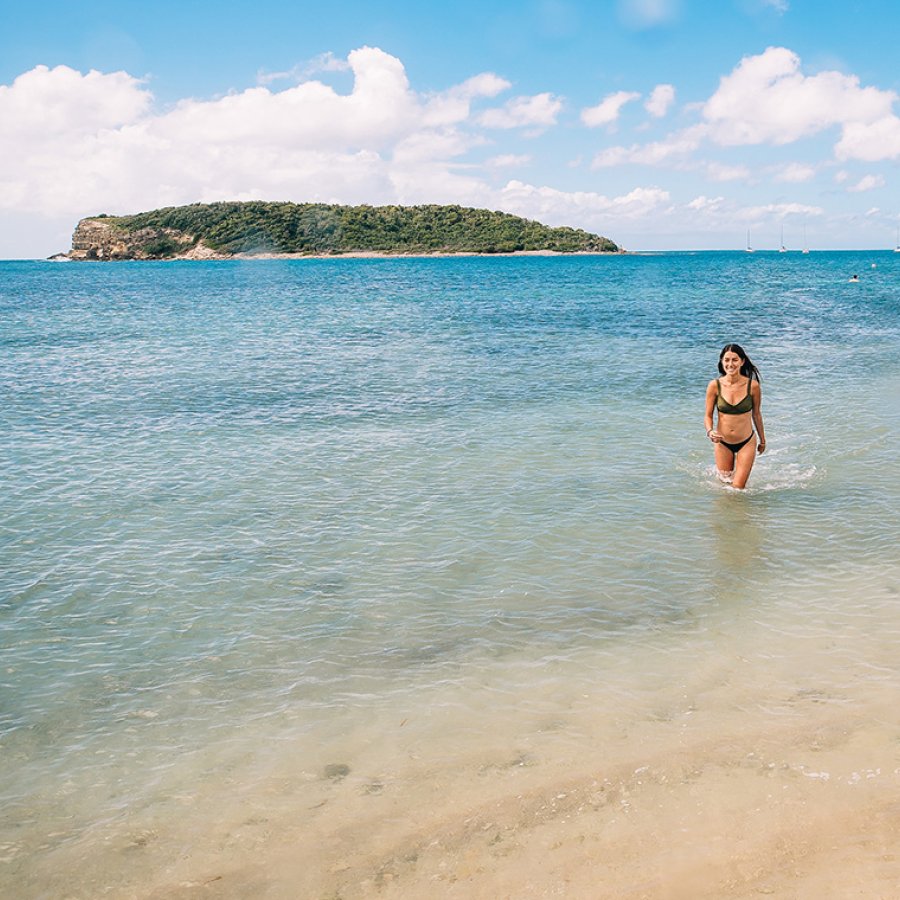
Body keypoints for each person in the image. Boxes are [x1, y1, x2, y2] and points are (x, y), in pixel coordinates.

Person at [704, 343, 766, 489]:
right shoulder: (714, 385)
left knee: (738, 488)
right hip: (722, 443)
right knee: (725, 486)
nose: (730, 364)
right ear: (721, 362)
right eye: (726, 360)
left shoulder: (753, 386)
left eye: (734, 360)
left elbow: (756, 414)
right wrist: (710, 431)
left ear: (742, 361)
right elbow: (707, 416)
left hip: (746, 441)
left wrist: (762, 440)